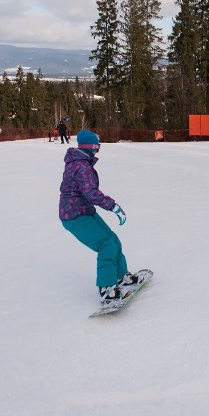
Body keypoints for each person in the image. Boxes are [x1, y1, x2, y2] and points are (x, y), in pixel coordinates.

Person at [59, 129, 137, 302]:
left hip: (84, 210)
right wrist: (114, 207)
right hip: (74, 215)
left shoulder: (81, 162)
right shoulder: (81, 165)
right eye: (97, 147)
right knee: (106, 245)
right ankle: (106, 288)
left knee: (113, 240)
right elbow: (92, 193)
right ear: (90, 147)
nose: (97, 151)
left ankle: (121, 276)